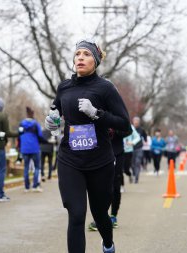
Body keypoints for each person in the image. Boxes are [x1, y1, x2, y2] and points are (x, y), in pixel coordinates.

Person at [44, 39, 131, 253]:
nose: (80, 57)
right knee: (76, 214)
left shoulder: (105, 88)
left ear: (96, 60)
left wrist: (96, 113)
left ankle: (108, 244)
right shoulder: (64, 87)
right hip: (69, 159)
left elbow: (125, 125)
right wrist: (52, 123)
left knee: (100, 213)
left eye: (86, 54)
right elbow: (56, 114)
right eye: (77, 54)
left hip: (99, 161)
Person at [88, 127, 131, 231]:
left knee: (115, 186)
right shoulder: (95, 110)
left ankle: (113, 216)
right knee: (99, 186)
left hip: (116, 153)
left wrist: (114, 130)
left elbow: (128, 129)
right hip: (99, 152)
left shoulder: (117, 111)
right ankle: (101, 218)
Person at [19, 106, 46, 192]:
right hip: (34, 148)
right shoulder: (35, 124)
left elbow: (19, 135)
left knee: (26, 167)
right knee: (37, 167)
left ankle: (27, 187)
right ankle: (35, 186)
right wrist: (46, 141)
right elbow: (40, 136)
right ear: (32, 115)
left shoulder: (21, 123)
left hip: (25, 148)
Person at [131, 117, 147, 182]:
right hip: (131, 148)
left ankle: (136, 178)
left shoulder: (141, 130)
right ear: (133, 122)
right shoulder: (130, 129)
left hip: (139, 148)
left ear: (139, 122)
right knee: (132, 163)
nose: (136, 122)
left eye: (137, 121)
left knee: (138, 162)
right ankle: (134, 173)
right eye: (135, 121)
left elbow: (145, 136)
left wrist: (145, 141)